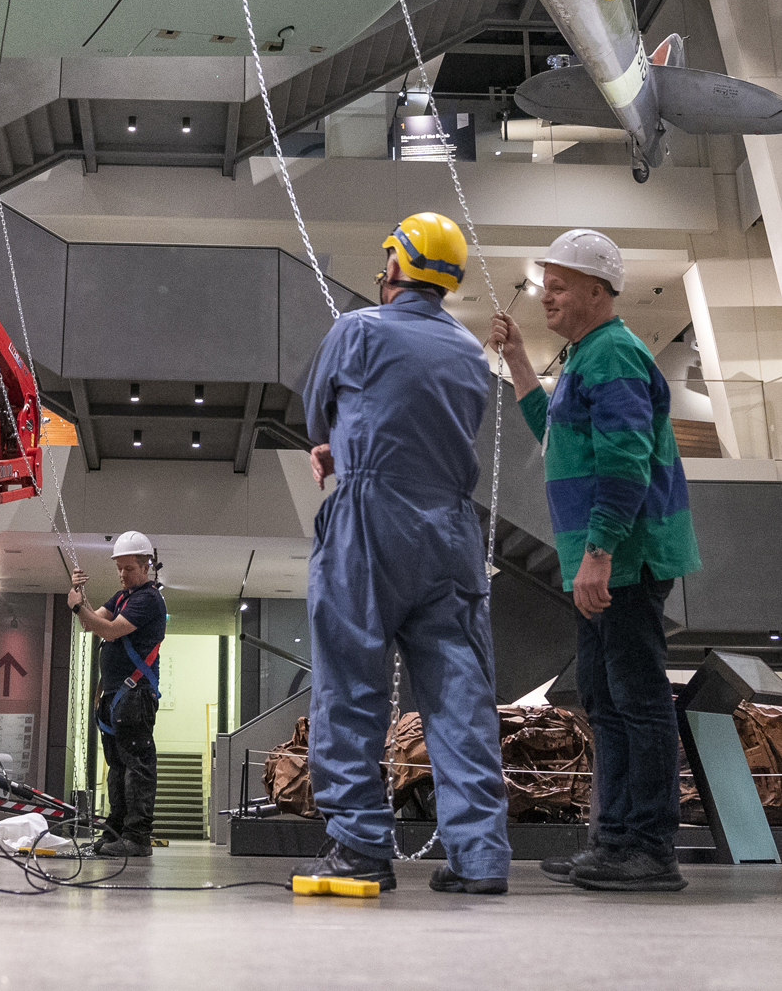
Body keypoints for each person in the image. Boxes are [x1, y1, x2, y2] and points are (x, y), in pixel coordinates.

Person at [293, 212, 512, 896]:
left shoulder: (356, 328)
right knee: (457, 695)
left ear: (393, 265)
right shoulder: (469, 351)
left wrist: (342, 445)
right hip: (449, 529)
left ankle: (360, 844)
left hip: (369, 518)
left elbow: (315, 413)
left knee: (351, 684)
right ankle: (479, 856)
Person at [490, 229, 700, 895]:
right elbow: (552, 430)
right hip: (606, 557)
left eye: (557, 283)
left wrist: (600, 552)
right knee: (606, 695)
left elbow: (624, 460)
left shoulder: (611, 355)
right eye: (543, 281)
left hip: (625, 558)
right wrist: (519, 358)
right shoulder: (586, 355)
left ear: (595, 289)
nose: (544, 292)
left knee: (636, 700)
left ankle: (647, 847)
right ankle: (614, 840)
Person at [67, 530, 165, 859]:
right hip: (116, 696)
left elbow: (108, 630)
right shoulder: (122, 597)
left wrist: (78, 605)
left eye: (129, 568)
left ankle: (136, 837)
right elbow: (92, 622)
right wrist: (81, 597)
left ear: (147, 565)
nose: (123, 574)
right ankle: (117, 831)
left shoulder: (148, 599)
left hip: (134, 695)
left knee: (136, 766)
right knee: (118, 766)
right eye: (119, 568)